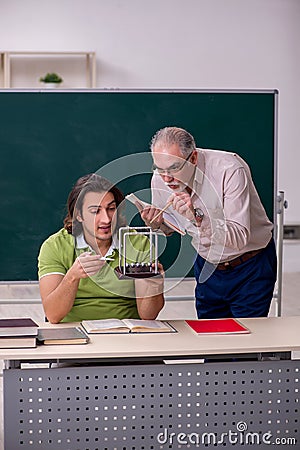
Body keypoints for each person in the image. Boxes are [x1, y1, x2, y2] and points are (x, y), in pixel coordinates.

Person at [141, 126, 277, 319]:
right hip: (207, 265)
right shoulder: (160, 179)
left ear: (194, 158)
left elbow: (239, 238)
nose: (166, 178)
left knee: (246, 342)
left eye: (174, 168)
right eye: (159, 169)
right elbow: (171, 227)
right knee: (209, 338)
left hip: (249, 264)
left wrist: (197, 217)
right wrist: (157, 224)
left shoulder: (229, 169)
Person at [38, 174, 164, 323]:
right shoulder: (55, 246)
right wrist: (72, 276)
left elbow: (148, 316)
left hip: (127, 333)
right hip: (74, 333)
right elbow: (53, 314)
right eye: (95, 211)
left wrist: (153, 286)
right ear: (79, 215)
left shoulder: (138, 244)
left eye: (111, 209)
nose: (107, 219)